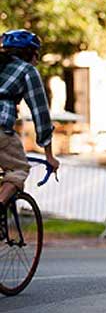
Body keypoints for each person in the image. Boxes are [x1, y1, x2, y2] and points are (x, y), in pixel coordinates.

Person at [0, 30, 60, 219]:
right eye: (37, 55)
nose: (37, 61)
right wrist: (49, 155)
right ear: (30, 54)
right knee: (18, 169)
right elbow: (41, 114)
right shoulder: (27, 70)